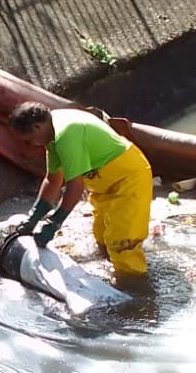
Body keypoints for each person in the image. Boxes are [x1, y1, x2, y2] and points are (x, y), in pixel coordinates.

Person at [8, 101, 153, 277]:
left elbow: (75, 187)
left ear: (37, 126)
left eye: (29, 139)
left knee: (122, 242)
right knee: (102, 236)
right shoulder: (52, 134)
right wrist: (33, 217)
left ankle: (134, 284)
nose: (32, 144)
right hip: (104, 186)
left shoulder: (66, 134)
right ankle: (117, 272)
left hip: (129, 179)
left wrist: (54, 223)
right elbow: (53, 180)